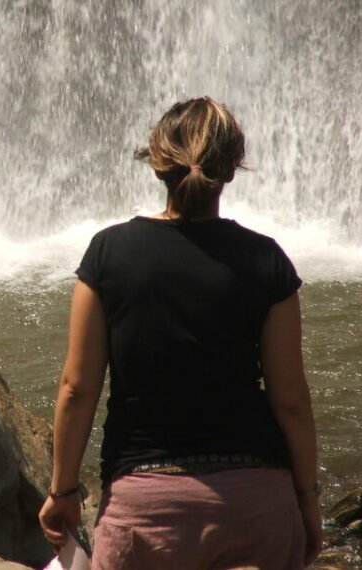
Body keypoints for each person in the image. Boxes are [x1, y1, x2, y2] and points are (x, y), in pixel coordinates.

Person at [38, 97, 323, 569]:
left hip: (145, 511)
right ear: (230, 171)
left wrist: (63, 491)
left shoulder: (108, 254)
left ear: (156, 164)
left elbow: (77, 388)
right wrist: (307, 502)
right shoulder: (266, 260)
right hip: (258, 507)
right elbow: (290, 398)